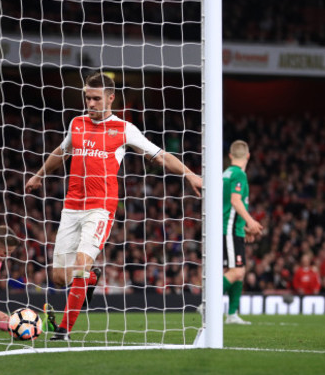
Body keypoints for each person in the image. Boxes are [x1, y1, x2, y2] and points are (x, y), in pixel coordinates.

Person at [25, 72, 202, 340]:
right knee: (60, 278)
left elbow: (160, 155)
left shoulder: (124, 129)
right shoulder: (77, 123)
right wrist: (38, 175)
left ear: (111, 98)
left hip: (101, 208)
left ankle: (64, 329)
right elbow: (61, 152)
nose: (91, 104)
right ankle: (91, 279)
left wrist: (189, 174)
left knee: (82, 264)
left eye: (96, 99)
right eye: (87, 98)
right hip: (71, 207)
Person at [222, 140, 263, 325]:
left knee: (240, 270)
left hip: (233, 228)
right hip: (229, 228)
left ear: (230, 156)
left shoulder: (226, 173)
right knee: (236, 272)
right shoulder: (239, 174)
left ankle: (231, 314)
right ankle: (208, 304)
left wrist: (243, 226)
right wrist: (251, 222)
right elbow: (235, 201)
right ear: (248, 156)